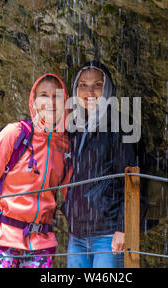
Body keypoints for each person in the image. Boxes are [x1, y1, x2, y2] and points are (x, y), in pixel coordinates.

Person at [0, 73, 72, 268]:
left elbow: (72, 195)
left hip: (41, 246)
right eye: (44, 95)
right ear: (33, 101)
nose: (51, 102)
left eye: (57, 96)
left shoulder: (65, 145)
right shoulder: (15, 134)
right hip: (2, 242)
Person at [61, 60, 140, 268]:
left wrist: (124, 228)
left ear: (107, 89)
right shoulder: (73, 128)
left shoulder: (120, 126)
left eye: (97, 85)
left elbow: (132, 180)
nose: (90, 92)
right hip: (76, 234)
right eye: (83, 85)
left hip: (108, 234)